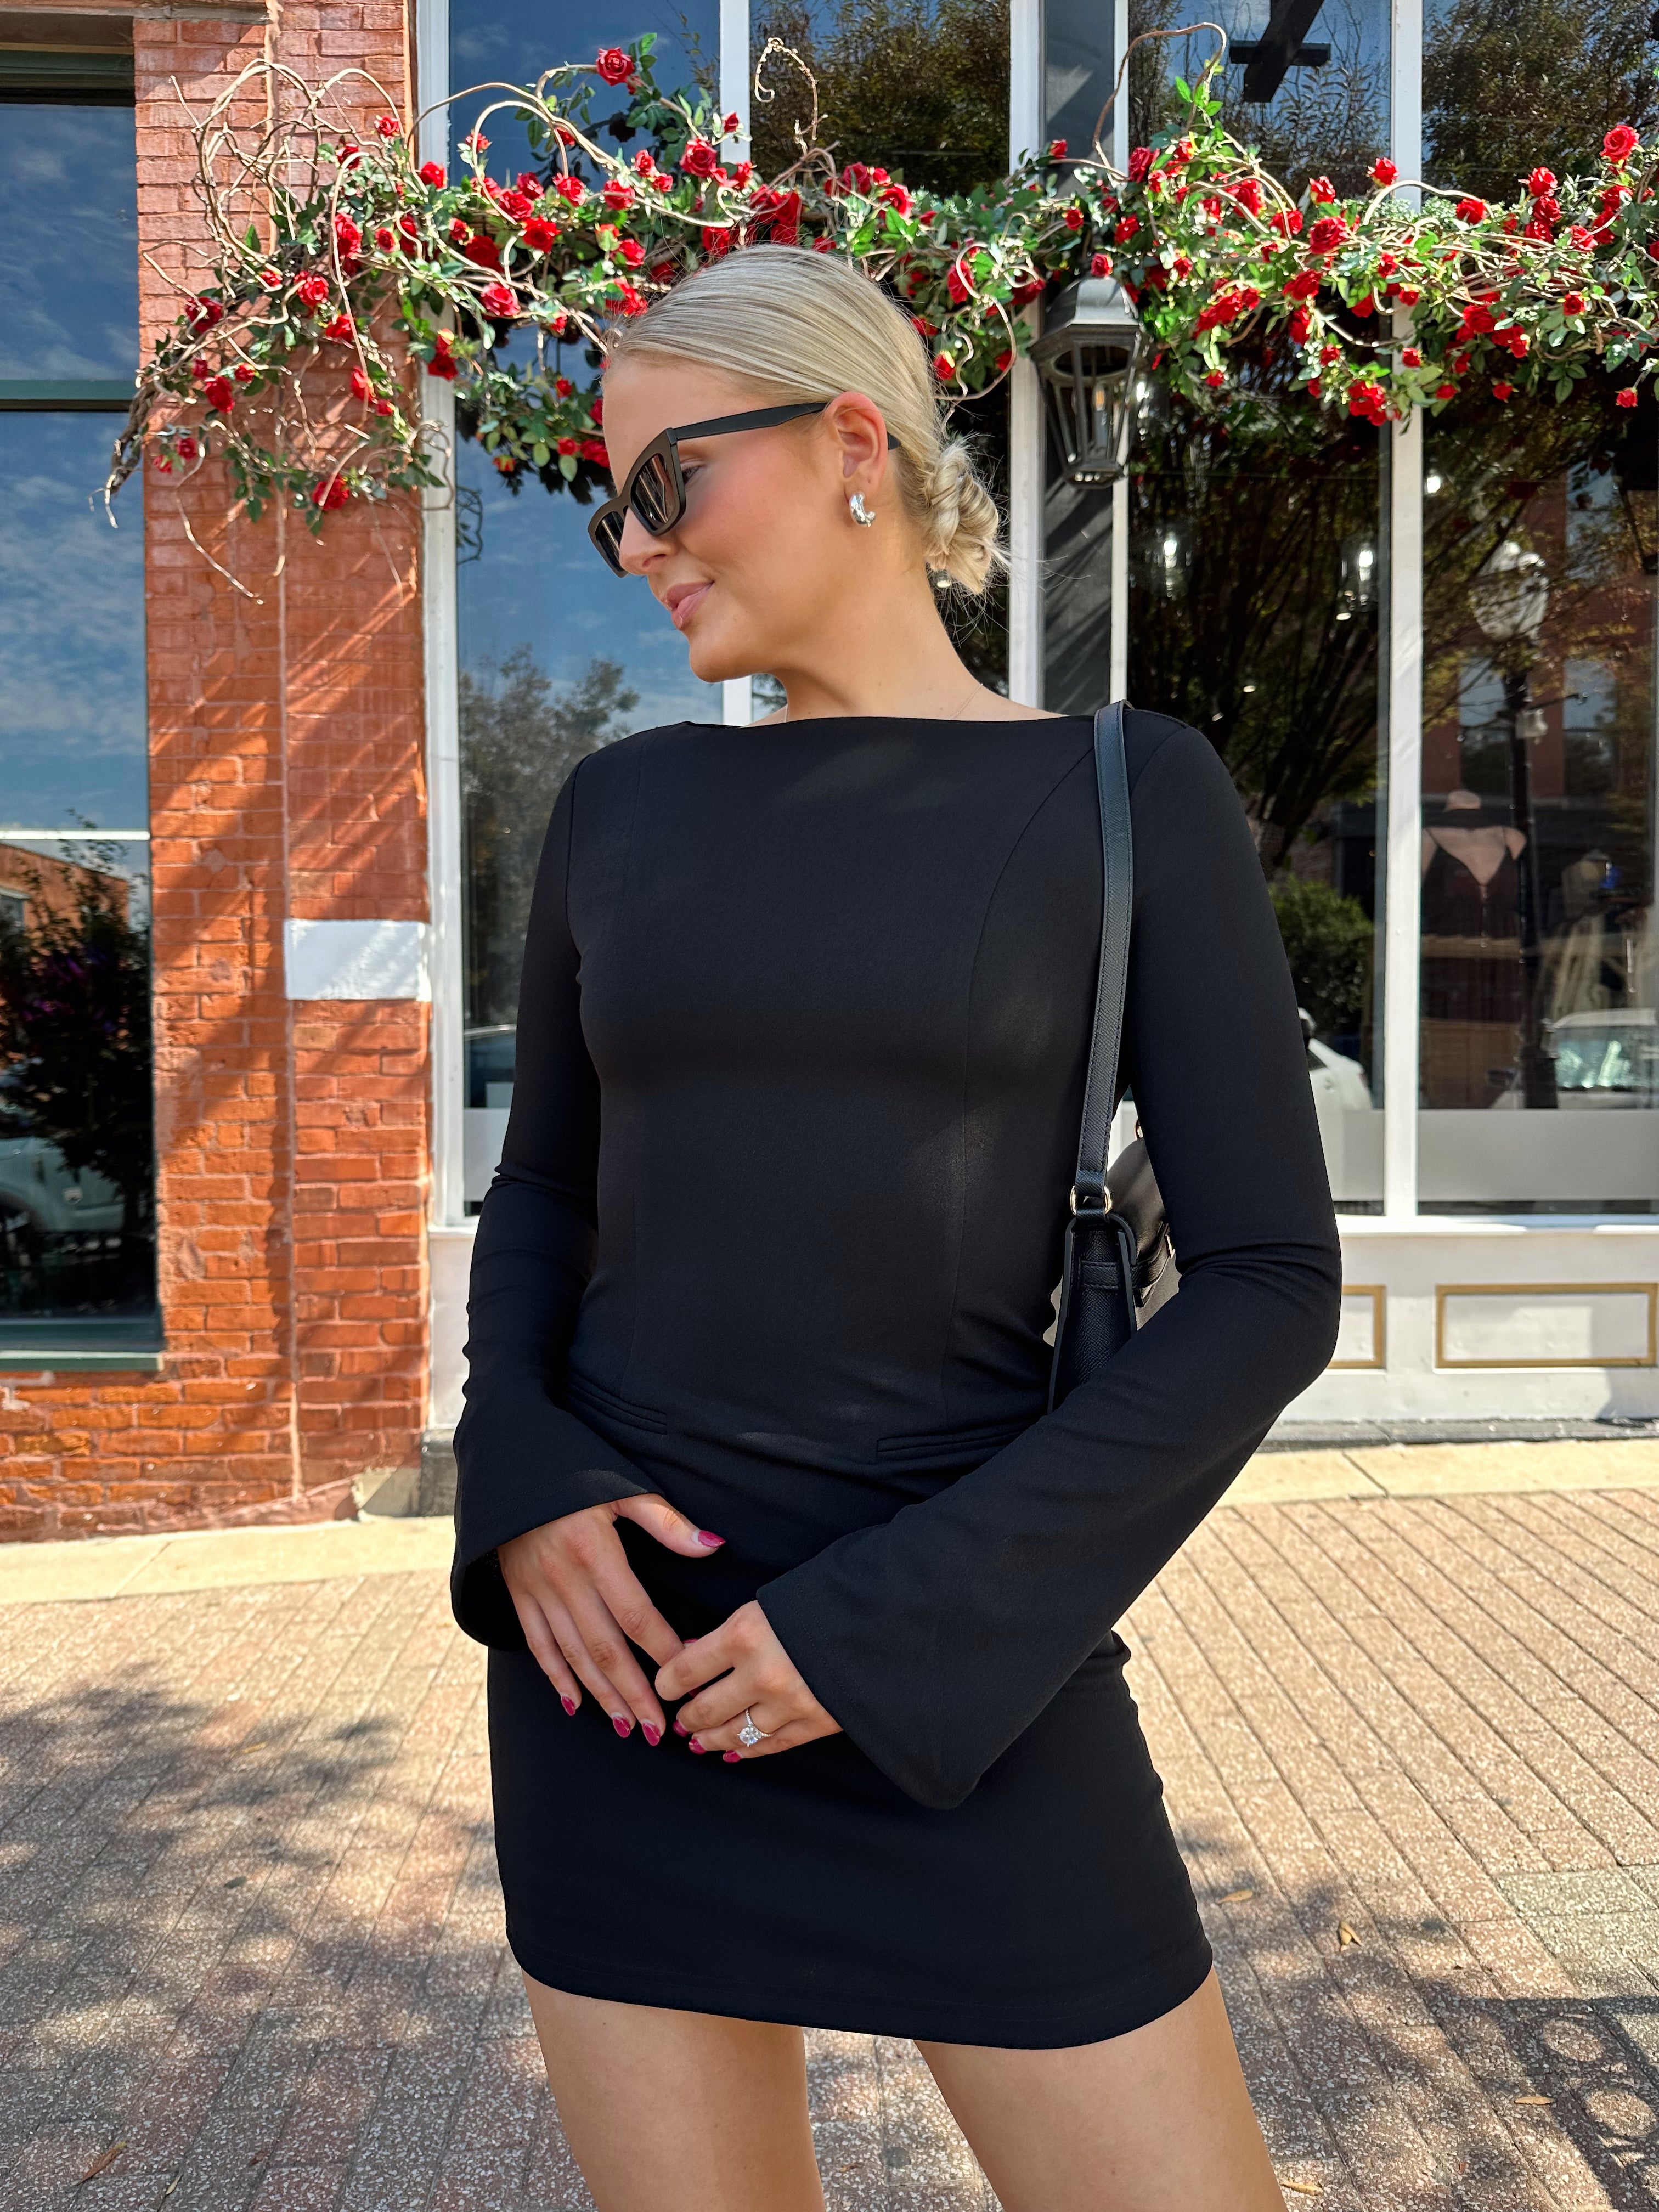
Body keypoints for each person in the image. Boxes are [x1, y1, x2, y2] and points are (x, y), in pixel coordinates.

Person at [451, 242, 1341, 2212]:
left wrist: (886, 1627)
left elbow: (1272, 1282)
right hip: (622, 1682)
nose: (629, 546)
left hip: (962, 1662)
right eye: (611, 505)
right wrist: (511, 1478)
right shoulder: (620, 811)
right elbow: (552, 1193)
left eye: (664, 484)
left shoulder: (1128, 794)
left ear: (853, 438)